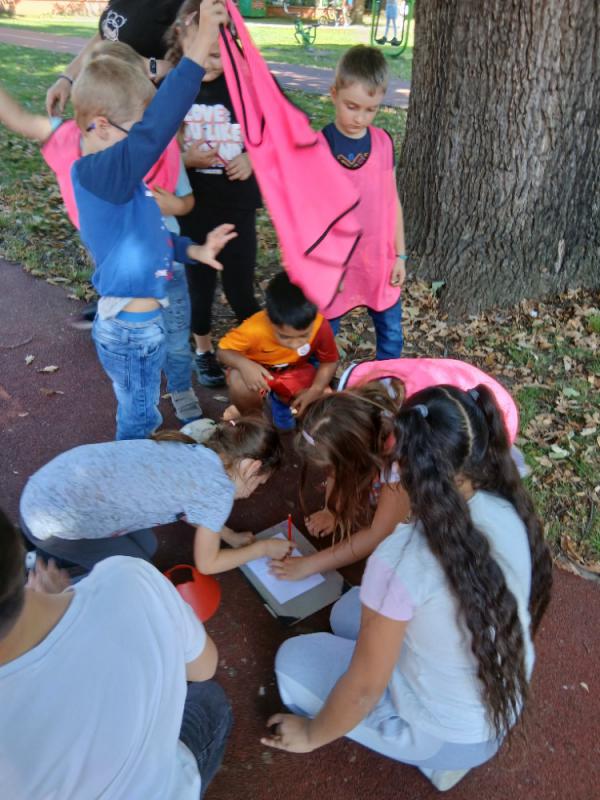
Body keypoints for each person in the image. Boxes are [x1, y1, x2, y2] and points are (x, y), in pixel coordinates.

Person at [263, 386, 553, 792]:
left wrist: (311, 734)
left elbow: (363, 690)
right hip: (496, 706)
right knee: (345, 613)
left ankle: (435, 761)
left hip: (445, 736)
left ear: (403, 465)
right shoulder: (507, 504)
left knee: (291, 663)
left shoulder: (400, 559)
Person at [0, 41, 204, 423]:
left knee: (175, 342)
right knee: (138, 386)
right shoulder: (86, 155)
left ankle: (180, 389)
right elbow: (20, 119)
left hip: (167, 256)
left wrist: (172, 210)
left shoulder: (155, 144)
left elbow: (184, 200)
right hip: (125, 271)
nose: (147, 130)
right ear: (103, 121)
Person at [70, 0, 236, 440]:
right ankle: (133, 472)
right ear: (102, 126)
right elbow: (160, 125)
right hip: (130, 331)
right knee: (140, 418)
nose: (148, 140)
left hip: (142, 324)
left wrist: (196, 249)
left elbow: (154, 236)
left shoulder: (124, 180)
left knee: (141, 410)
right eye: (137, 128)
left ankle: (141, 458)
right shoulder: (102, 174)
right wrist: (201, 44)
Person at [0, 507, 232, 799]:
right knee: (210, 696)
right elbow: (205, 667)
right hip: (165, 785)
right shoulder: (128, 578)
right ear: (16, 547)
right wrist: (61, 603)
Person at [272, 356, 523, 584]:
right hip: (447, 390)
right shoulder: (347, 405)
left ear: (362, 453)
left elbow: (379, 532)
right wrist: (333, 509)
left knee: (434, 502)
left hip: (483, 419)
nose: (331, 474)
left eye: (335, 467)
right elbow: (340, 463)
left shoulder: (407, 452)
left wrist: (309, 565)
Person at [20, 416, 293, 576]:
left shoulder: (198, 448)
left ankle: (38, 551)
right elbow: (207, 564)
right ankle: (39, 570)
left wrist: (230, 537)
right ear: (252, 468)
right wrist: (261, 549)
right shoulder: (218, 490)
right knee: (137, 572)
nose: (254, 490)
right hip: (50, 523)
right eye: (260, 483)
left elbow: (192, 507)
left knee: (147, 546)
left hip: (46, 486)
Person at [165, 0, 263, 388]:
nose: (209, 61)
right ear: (181, 39)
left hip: (237, 207)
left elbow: (277, 132)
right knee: (199, 287)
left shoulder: (245, 87)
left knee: (240, 286)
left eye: (218, 54)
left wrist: (253, 158)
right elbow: (153, 148)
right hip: (193, 209)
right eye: (201, 50)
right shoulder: (173, 88)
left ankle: (261, 347)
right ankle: (204, 350)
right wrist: (184, 159)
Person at [322, 46, 406, 360]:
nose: (360, 118)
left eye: (371, 110)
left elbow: (392, 201)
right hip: (337, 266)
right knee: (323, 338)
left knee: (391, 335)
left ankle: (386, 382)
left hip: (379, 261)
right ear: (334, 94)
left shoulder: (383, 143)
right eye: (352, 106)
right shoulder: (321, 146)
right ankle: (318, 386)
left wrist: (401, 255)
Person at [217, 271, 339, 431]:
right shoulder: (254, 328)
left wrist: (315, 390)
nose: (295, 344)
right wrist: (244, 365)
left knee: (325, 400)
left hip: (296, 370)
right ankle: (254, 419)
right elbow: (223, 351)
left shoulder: (320, 325)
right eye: (285, 337)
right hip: (260, 373)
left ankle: (283, 404)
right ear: (269, 320)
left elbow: (329, 361)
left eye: (304, 335)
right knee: (237, 379)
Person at [45, 0, 184, 117]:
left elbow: (191, 57)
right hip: (107, 103)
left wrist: (152, 66)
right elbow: (106, 35)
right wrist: (67, 78)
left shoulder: (180, 4)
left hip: (144, 111)